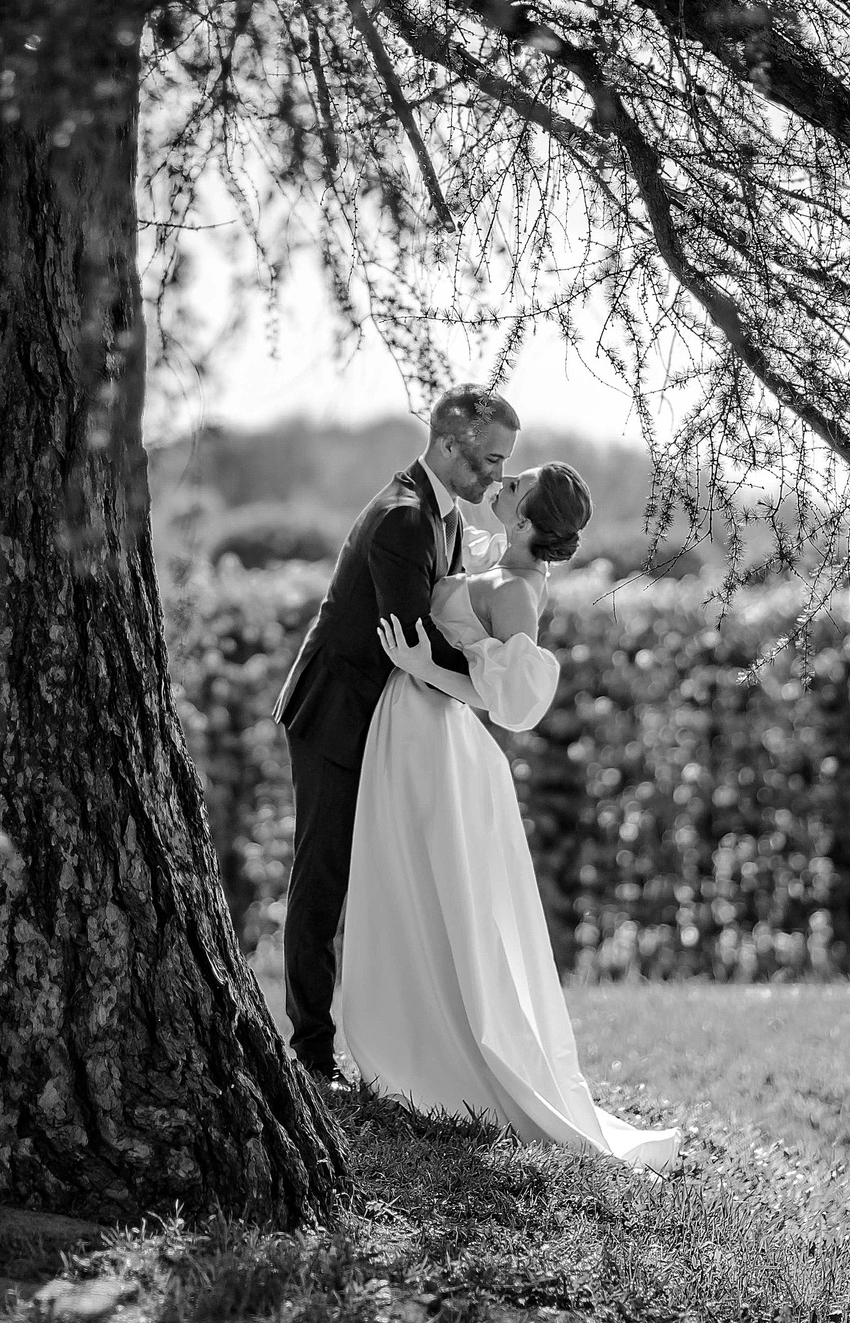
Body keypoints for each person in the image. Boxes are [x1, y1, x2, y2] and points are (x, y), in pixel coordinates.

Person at [344, 462, 680, 1172]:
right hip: (411, 725)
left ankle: (442, 1053)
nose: (504, 480)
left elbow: (512, 704)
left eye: (515, 485)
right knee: (405, 880)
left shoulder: (519, 591)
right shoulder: (494, 560)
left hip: (439, 734)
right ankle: (403, 1027)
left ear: (526, 521)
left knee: (439, 892)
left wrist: (422, 665)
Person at [275, 386, 518, 1085]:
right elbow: (412, 639)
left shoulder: (442, 514)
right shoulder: (403, 519)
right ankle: (311, 1054)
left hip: (382, 719)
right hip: (334, 715)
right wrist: (491, 689)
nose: (498, 475)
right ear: (448, 446)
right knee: (322, 877)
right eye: (491, 460)